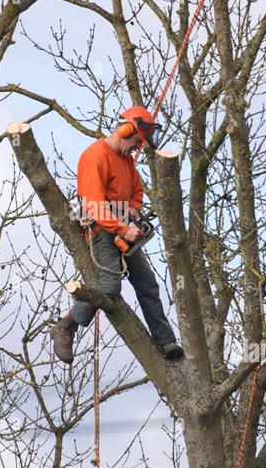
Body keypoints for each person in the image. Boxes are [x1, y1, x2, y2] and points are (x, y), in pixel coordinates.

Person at [50, 105, 184, 364]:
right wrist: (122, 228)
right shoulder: (96, 155)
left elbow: (136, 190)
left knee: (147, 284)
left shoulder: (127, 161)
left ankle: (165, 340)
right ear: (125, 130)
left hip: (124, 228)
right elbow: (93, 204)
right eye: (136, 141)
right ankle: (66, 324)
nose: (137, 148)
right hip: (101, 230)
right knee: (110, 286)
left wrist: (133, 211)